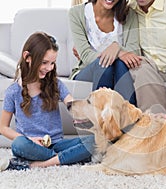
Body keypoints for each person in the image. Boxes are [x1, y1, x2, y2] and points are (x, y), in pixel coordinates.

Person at [0, 32, 95, 171]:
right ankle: (67, 157)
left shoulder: (55, 84)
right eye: (44, 63)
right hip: (31, 146)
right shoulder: (13, 92)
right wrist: (30, 140)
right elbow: (3, 127)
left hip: (57, 143)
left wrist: (87, 112)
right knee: (18, 144)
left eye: (52, 63)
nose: (49, 68)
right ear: (27, 57)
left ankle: (36, 165)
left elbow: (71, 104)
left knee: (97, 141)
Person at [68, 0, 141, 106]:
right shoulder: (77, 13)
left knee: (119, 64)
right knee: (104, 64)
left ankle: (127, 117)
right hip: (86, 70)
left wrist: (117, 48)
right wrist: (119, 53)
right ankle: (102, 119)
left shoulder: (129, 14)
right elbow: (85, 55)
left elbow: (134, 52)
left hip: (119, 69)